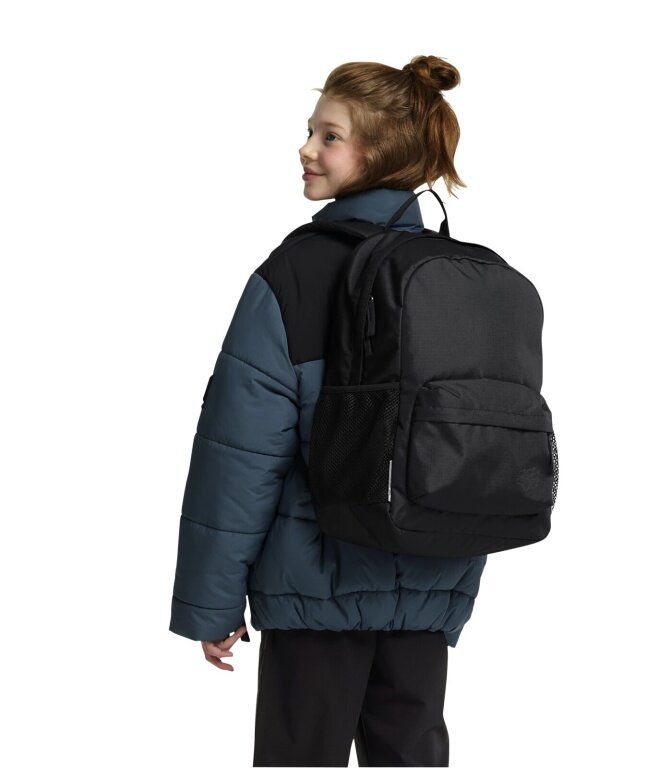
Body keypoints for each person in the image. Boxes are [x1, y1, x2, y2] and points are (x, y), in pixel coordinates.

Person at [169, 55, 487, 767]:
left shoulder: (296, 274)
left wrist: (211, 603)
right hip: (428, 586)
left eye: (329, 136)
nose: (306, 149)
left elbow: (240, 455)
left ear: (380, 151)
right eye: (310, 131)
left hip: (315, 588)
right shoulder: (459, 274)